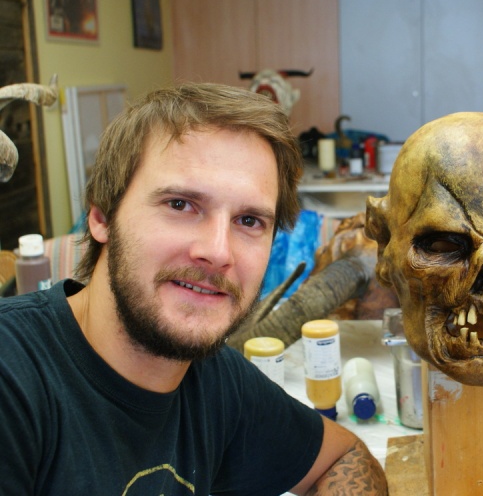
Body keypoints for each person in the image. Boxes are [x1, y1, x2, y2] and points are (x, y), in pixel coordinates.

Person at [0, 83, 388, 495]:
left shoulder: (217, 382)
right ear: (101, 217)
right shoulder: (13, 378)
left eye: (249, 221)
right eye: (181, 205)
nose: (218, 252)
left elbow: (345, 455)